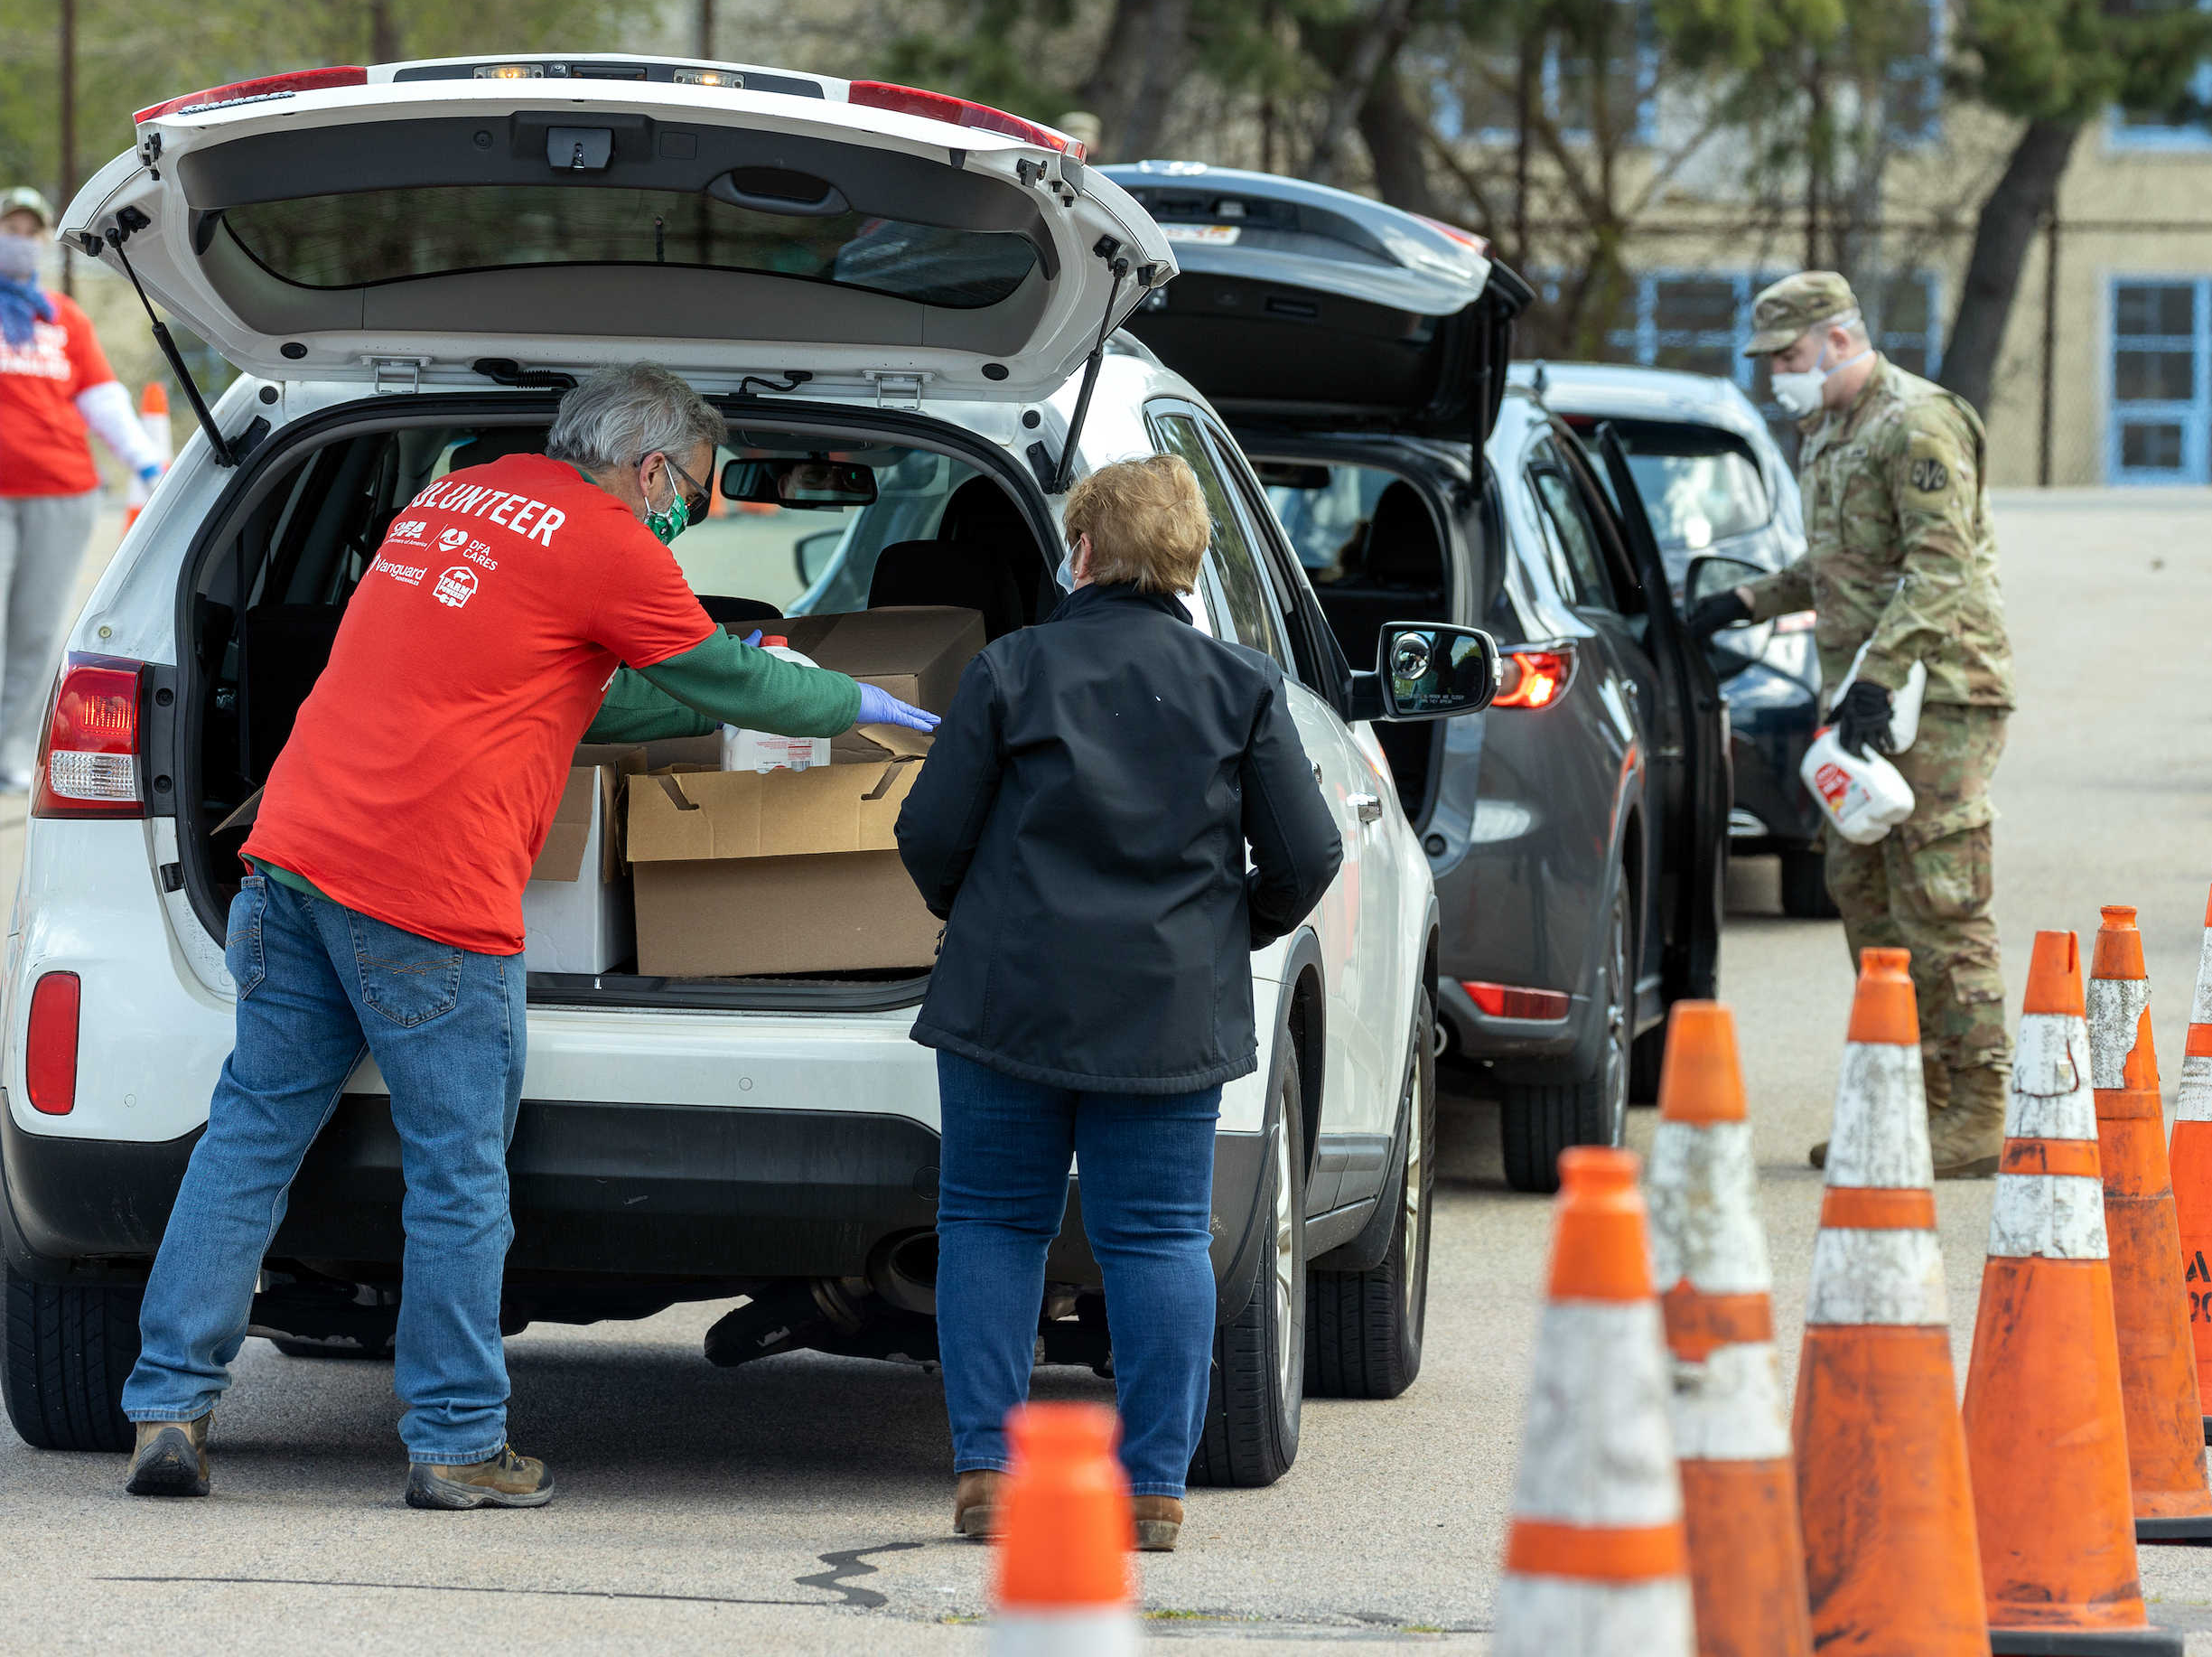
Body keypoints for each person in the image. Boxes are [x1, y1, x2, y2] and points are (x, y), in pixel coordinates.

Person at [119, 362, 936, 1507]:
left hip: (292, 860)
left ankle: (168, 1406)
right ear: (655, 467)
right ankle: (456, 1441)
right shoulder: (611, 542)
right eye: (699, 495)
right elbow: (722, 677)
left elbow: (577, 687)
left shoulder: (454, 499)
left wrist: (710, 691)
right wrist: (850, 701)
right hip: (426, 897)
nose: (691, 517)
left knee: (249, 1137)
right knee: (457, 1174)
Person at [897, 453, 1340, 1553]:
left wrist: (991, 910)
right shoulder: (1240, 686)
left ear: (1081, 552)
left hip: (1009, 1003)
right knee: (1156, 1239)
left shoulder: (1011, 669)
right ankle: (1151, 1487)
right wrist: (1222, 928)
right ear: (1188, 565)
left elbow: (929, 836)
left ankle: (989, 1474)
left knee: (993, 1224)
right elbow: (1309, 854)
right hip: (1166, 1013)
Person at [1684, 272, 2015, 1176]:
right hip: (1866, 698)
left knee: (1938, 895)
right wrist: (1747, 599)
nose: (1778, 377)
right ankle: (1906, 1098)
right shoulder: (1830, 428)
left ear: (1839, 339)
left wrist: (1883, 673)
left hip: (1938, 690)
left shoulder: (1918, 422)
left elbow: (1939, 568)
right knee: (1865, 894)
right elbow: (1842, 561)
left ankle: (1979, 1104)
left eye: (1789, 357)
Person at [0, 185, 166, 790]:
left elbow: (104, 403)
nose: (21, 240)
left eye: (31, 230)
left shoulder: (61, 317)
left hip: (61, 490)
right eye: (10, 227)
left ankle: (13, 752)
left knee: (37, 629)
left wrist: (148, 465)